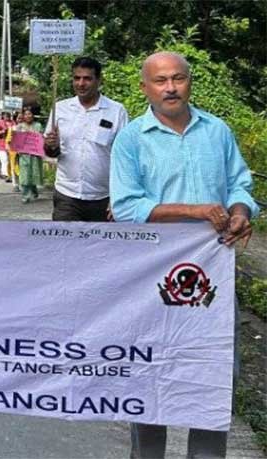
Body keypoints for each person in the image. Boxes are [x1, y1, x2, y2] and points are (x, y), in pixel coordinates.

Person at [110, 51, 259, 459]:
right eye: (160, 81)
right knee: (152, 376)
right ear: (145, 88)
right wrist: (193, 211)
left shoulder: (217, 132)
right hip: (152, 278)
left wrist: (241, 212)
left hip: (213, 275)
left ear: (189, 82)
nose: (170, 88)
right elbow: (125, 208)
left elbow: (240, 186)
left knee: (211, 376)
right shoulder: (131, 139)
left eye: (178, 79)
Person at [45, 57, 129, 222]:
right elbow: (50, 152)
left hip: (102, 198)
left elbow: (125, 158)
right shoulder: (60, 109)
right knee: (64, 245)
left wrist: (118, 198)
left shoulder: (116, 111)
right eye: (77, 78)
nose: (81, 83)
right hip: (66, 196)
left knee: (100, 247)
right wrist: (51, 146)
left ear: (99, 80)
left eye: (87, 78)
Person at [7, 108, 43, 202]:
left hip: (35, 154)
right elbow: (14, 139)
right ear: (23, 116)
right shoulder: (19, 127)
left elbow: (41, 138)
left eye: (30, 114)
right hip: (24, 155)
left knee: (33, 173)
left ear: (33, 115)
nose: (28, 116)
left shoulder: (38, 125)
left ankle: (34, 190)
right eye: (26, 114)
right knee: (25, 174)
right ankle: (25, 195)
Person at [0, 112, 14, 181]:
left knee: (9, 160)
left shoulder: (13, 122)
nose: (7, 117)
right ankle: (6, 175)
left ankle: (4, 173)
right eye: (6, 115)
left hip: (10, 144)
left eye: (8, 115)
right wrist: (1, 132)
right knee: (4, 159)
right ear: (3, 116)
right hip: (1, 144)